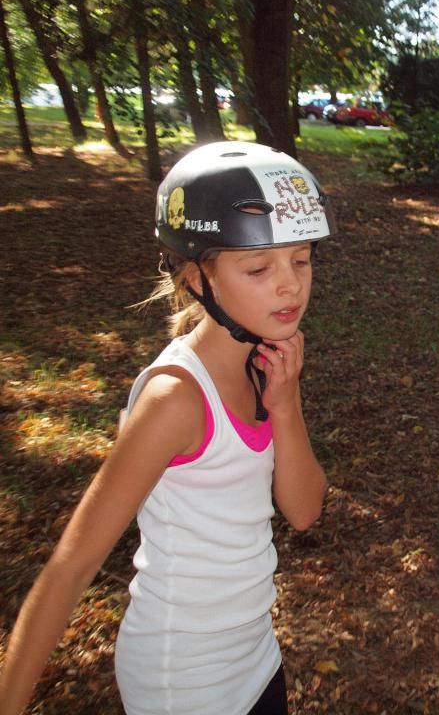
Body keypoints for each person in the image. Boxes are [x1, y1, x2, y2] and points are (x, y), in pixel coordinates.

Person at [0, 141, 334, 715]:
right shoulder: (175, 399)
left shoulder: (266, 361)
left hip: (256, 658)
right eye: (259, 268)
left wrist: (285, 404)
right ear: (197, 278)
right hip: (184, 680)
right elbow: (71, 566)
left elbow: (304, 511)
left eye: (300, 260)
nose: (290, 286)